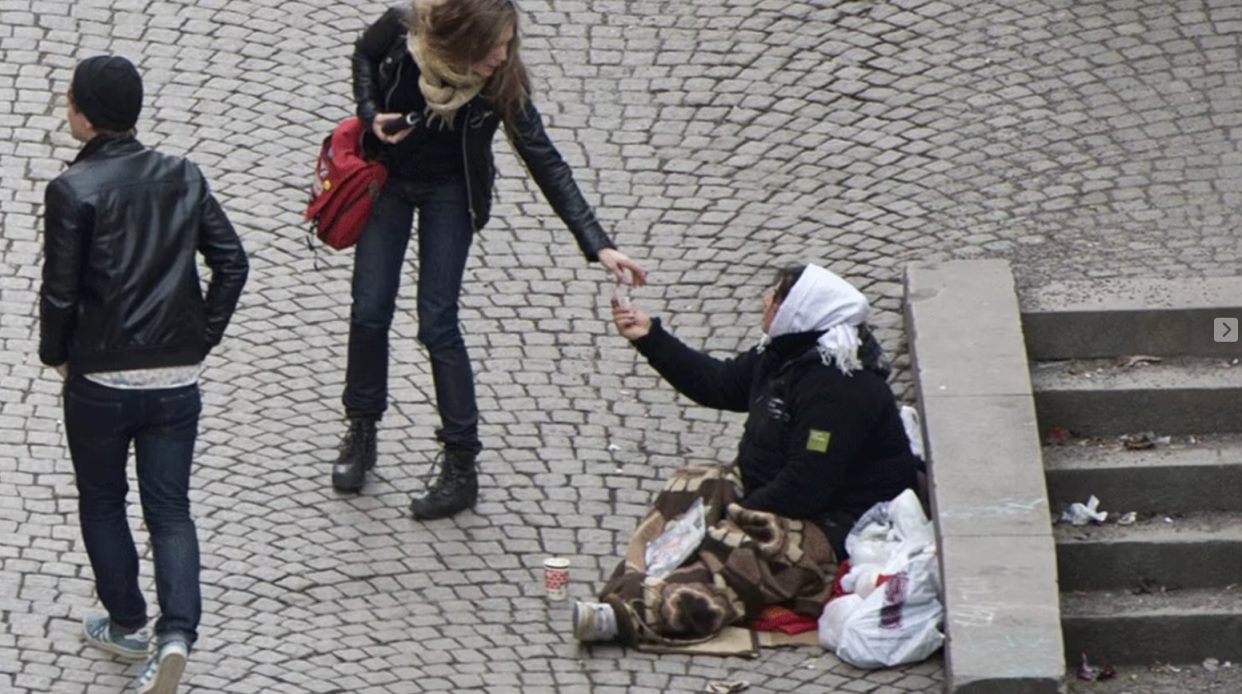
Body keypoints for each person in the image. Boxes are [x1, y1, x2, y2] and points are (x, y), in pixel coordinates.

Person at [334, 0, 647, 521]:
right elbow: (363, 57)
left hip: (450, 191)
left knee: (438, 322)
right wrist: (370, 114)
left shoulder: (500, 80)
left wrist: (598, 242)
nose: (501, 57)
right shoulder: (403, 27)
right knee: (369, 310)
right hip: (387, 181)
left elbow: (543, 157)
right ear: (458, 40)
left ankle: (461, 464)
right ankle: (361, 430)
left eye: (506, 46)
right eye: (492, 48)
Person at [39, 56, 248, 693]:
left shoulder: (73, 191)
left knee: (103, 500)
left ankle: (128, 622)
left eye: (69, 98)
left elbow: (61, 294)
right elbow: (232, 263)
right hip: (175, 382)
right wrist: (200, 338)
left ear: (86, 114)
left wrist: (56, 355)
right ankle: (177, 634)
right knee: (170, 509)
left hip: (101, 381)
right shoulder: (183, 175)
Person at [573, 264, 917, 644]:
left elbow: (806, 486)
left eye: (775, 295)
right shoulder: (784, 353)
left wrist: (737, 517)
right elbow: (718, 385)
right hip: (773, 490)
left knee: (745, 552)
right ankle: (643, 577)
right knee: (694, 485)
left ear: (798, 310)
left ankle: (637, 615)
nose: (765, 300)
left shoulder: (840, 388)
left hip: (836, 522)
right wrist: (650, 337)